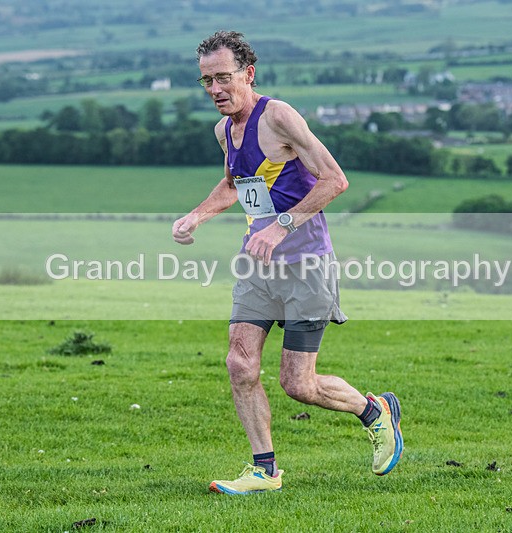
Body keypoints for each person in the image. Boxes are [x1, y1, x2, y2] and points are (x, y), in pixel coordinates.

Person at [172, 30, 403, 495]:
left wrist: (281, 225)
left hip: (306, 264)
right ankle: (263, 470)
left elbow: (335, 180)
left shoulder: (278, 116)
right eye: (206, 81)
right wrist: (197, 215)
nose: (215, 90)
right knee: (240, 364)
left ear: (248, 74)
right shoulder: (224, 130)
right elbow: (235, 185)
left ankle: (374, 412)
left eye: (223, 78)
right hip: (257, 266)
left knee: (299, 383)